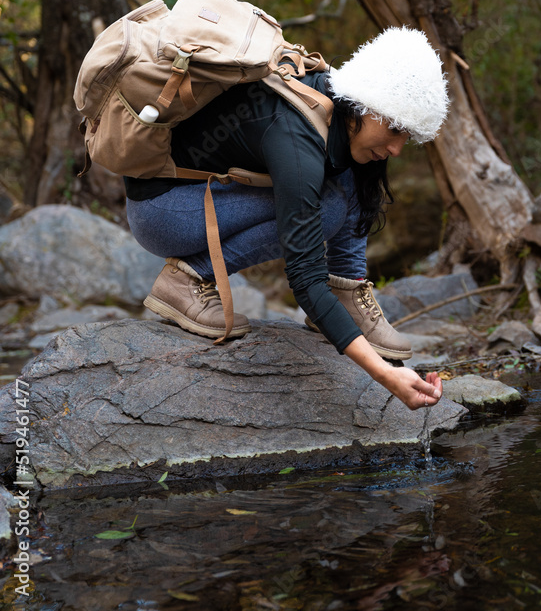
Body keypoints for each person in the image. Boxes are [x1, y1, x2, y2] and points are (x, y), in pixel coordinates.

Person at [125, 26, 449, 411]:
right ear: (364, 104)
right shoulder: (297, 134)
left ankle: (348, 289)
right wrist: (383, 373)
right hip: (164, 209)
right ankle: (188, 277)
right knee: (327, 209)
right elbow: (306, 279)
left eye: (406, 136)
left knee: (353, 172)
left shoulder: (335, 105)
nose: (397, 148)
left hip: (203, 197)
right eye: (394, 128)